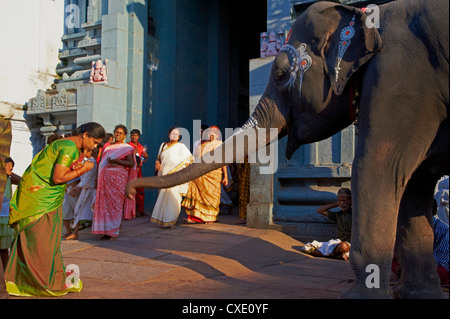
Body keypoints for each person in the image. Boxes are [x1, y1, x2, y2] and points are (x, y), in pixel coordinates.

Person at [5, 122, 105, 297]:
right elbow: (58, 178)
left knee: (39, 241)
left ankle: (23, 281)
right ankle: (41, 283)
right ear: (85, 135)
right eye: (95, 142)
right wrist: (84, 169)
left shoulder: (63, 143)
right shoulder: (69, 147)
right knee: (42, 243)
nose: (95, 146)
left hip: (40, 196)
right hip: (41, 200)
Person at [92, 125, 136, 240]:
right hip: (105, 178)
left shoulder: (127, 148)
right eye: (116, 132)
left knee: (115, 205)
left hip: (118, 178)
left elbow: (131, 163)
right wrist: (97, 178)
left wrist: (118, 161)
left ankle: (114, 232)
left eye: (120, 133)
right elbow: (101, 163)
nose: (117, 135)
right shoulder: (107, 147)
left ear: (124, 135)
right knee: (105, 205)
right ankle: (105, 231)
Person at [182, 126, 228, 224]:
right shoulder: (201, 145)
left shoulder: (220, 145)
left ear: (217, 135)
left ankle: (210, 217)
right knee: (195, 193)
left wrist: (226, 176)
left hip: (213, 175)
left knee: (211, 197)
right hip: (199, 174)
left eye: (213, 134)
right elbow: (195, 159)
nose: (211, 136)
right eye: (209, 133)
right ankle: (194, 217)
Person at [150, 127, 193, 228]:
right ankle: (162, 220)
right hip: (163, 175)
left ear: (179, 137)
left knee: (174, 198)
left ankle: (171, 221)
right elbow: (158, 158)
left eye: (176, 134)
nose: (174, 136)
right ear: (169, 135)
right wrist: (157, 163)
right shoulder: (163, 145)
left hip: (176, 177)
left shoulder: (181, 147)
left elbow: (189, 161)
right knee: (163, 197)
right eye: (173, 133)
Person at [301, 188, 352, 260]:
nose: (343, 203)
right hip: (337, 244)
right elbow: (319, 210)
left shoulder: (354, 214)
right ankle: (337, 256)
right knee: (307, 247)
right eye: (340, 200)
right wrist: (337, 204)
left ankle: (335, 255)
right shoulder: (338, 215)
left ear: (350, 200)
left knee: (344, 246)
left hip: (349, 246)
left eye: (345, 200)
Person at [63, 148, 99, 240]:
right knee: (80, 211)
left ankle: (75, 233)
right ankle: (74, 232)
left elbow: (88, 178)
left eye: (85, 151)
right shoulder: (87, 162)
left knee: (80, 210)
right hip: (85, 188)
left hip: (88, 190)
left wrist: (78, 187)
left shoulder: (92, 163)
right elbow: (84, 177)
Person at [0, 158, 20, 269]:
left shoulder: (9, 178)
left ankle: (5, 272)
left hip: (5, 218)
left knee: (4, 250)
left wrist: (10, 173)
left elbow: (23, 181)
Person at [128, 129, 148, 217]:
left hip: (138, 171)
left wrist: (146, 157)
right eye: (132, 135)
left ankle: (140, 210)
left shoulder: (141, 147)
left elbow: (143, 159)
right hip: (129, 171)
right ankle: (131, 211)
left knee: (140, 190)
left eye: (135, 135)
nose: (133, 137)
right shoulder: (127, 146)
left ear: (138, 137)